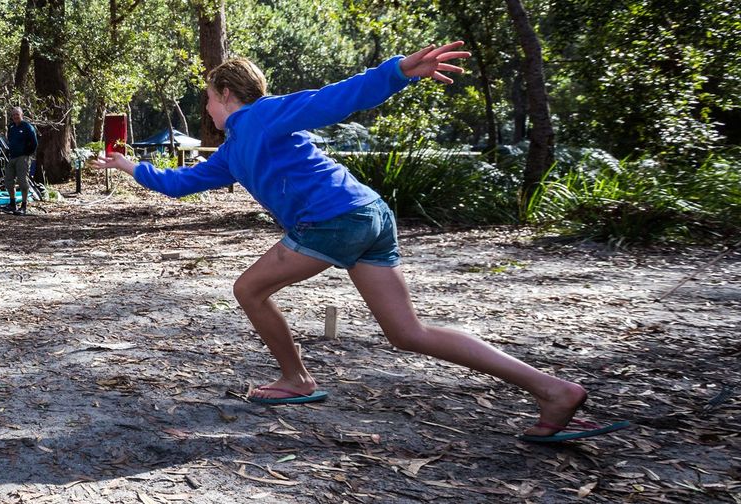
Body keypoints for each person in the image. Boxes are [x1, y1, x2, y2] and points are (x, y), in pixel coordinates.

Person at [91, 42, 628, 443]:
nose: (206, 108)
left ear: (226, 94)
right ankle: (553, 392)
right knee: (408, 332)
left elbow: (334, 100)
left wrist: (397, 71)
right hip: (370, 214)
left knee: (249, 290)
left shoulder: (263, 115)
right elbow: (181, 184)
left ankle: (296, 378)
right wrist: (129, 164)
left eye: (207, 98)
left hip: (336, 219)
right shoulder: (236, 148)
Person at [4, 106, 39, 215]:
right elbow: (10, 140)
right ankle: (12, 203)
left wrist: (27, 153)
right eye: (13, 115)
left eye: (17, 114)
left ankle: (23, 206)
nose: (15, 116)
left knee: (23, 181)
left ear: (21, 115)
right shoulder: (11, 127)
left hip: (23, 157)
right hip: (12, 157)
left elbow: (34, 143)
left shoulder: (27, 127)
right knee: (9, 180)